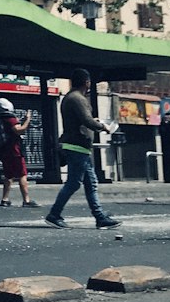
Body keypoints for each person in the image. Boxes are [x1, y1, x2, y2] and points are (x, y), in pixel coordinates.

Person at [45, 68, 120, 229]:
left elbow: (81, 120)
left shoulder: (70, 97)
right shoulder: (78, 99)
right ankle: (54, 214)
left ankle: (99, 217)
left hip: (79, 147)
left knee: (90, 183)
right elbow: (87, 121)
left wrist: (93, 121)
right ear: (87, 82)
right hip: (77, 146)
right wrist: (103, 126)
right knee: (73, 183)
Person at [0, 98, 39, 208]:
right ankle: (26, 200)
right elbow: (19, 130)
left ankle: (5, 199)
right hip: (15, 150)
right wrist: (28, 120)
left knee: (8, 175)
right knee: (22, 174)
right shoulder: (10, 118)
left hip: (4, 150)